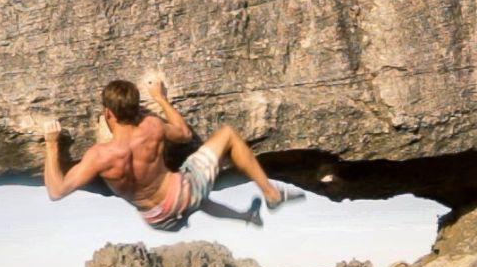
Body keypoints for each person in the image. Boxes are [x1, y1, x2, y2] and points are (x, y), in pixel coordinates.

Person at [42, 78, 303, 231]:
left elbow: (56, 191)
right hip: (184, 196)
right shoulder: (151, 127)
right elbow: (183, 133)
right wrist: (161, 98)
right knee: (226, 136)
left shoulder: (99, 156)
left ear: (108, 113)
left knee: (191, 200)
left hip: (159, 220)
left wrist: (52, 145)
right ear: (137, 109)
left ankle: (248, 217)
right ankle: (271, 194)